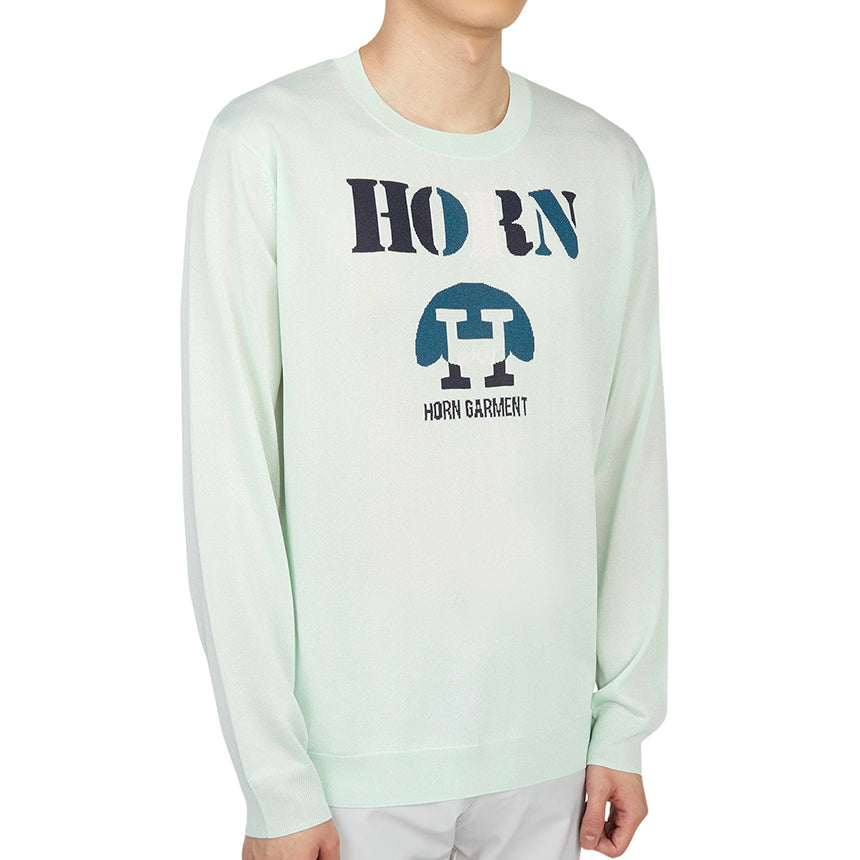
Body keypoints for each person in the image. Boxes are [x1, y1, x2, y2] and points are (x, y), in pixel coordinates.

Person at [180, 1, 669, 858]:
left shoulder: (602, 164)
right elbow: (231, 477)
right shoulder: (269, 146)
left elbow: (626, 454)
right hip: (346, 769)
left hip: (548, 753)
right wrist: (276, 781)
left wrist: (622, 721)